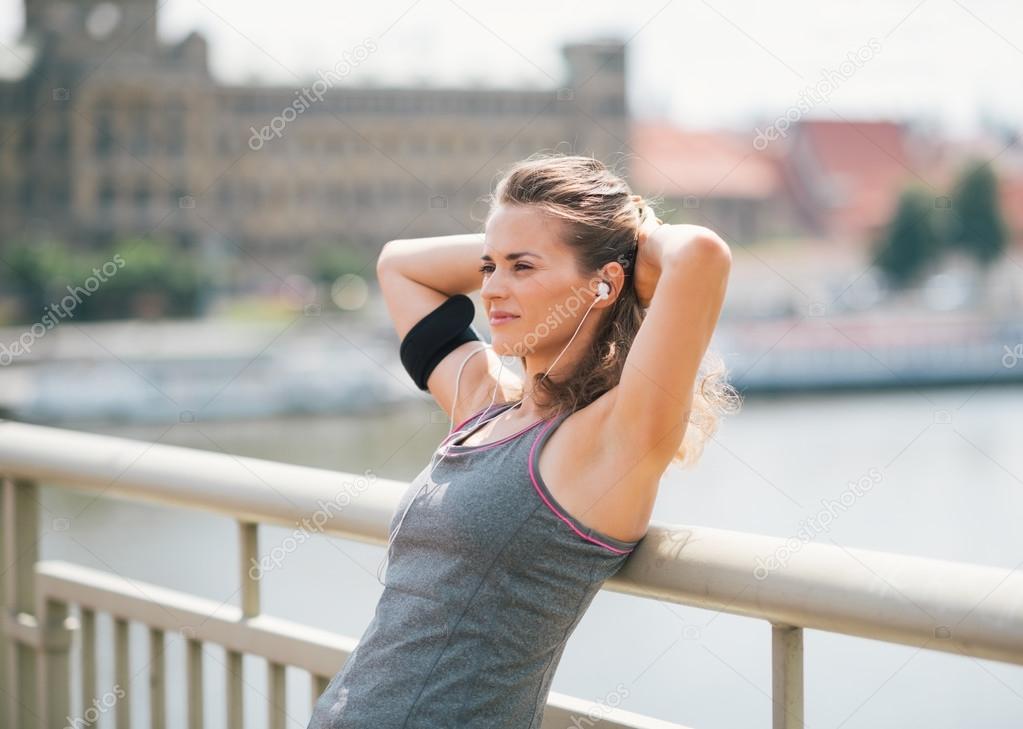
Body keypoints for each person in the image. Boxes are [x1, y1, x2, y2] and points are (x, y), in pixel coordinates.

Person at [308, 153, 738, 728]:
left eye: (522, 268)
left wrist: (627, 239)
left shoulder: (606, 441)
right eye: (488, 267)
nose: (491, 290)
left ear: (607, 283)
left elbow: (701, 257)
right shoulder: (483, 407)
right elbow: (399, 267)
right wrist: (526, 241)